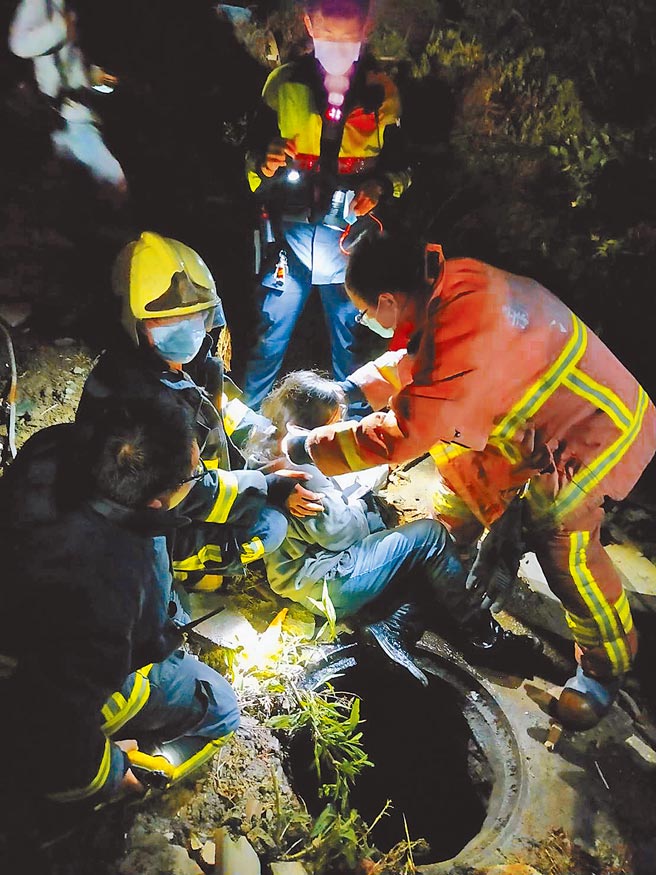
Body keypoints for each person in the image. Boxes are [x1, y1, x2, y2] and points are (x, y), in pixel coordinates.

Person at [283, 233, 656, 730]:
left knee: (565, 551)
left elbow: (402, 434)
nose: (364, 320)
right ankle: (436, 597)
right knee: (454, 502)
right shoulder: (451, 283)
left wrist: (303, 447)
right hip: (529, 423)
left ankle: (603, 674)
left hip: (586, 431)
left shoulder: (465, 324)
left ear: (389, 301)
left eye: (364, 310)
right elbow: (419, 363)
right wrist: (351, 391)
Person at [0, 394, 239, 830]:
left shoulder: (52, 446)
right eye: (192, 474)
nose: (197, 475)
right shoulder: (116, 587)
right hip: (33, 680)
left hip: (25, 610)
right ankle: (135, 774)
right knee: (222, 707)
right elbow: (54, 716)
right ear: (156, 502)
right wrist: (110, 773)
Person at [248, 370, 540, 685]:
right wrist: (364, 505)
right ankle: (485, 640)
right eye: (333, 423)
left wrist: (364, 481)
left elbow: (342, 482)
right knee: (430, 538)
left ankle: (395, 623)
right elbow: (342, 532)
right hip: (323, 582)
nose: (337, 430)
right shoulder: (303, 472)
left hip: (306, 567)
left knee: (416, 555)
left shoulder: (271, 441)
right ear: (311, 429)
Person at [77, 231, 322, 590]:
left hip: (199, 484)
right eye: (166, 320)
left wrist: (268, 438)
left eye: (196, 314)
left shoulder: (191, 360)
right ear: (132, 323)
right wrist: (267, 487)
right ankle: (193, 574)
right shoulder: (136, 398)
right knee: (272, 527)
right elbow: (187, 490)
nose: (188, 328)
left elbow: (217, 408)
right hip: (165, 515)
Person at [241, 0, 411, 414]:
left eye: (348, 36)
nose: (337, 45)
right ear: (309, 25)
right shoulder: (283, 85)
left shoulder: (382, 93)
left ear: (366, 28)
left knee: (351, 345)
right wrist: (263, 161)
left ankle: (354, 430)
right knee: (269, 335)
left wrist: (381, 185)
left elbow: (403, 167)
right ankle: (242, 427)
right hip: (289, 238)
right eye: (328, 35)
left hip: (350, 245)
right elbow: (251, 158)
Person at [9, 0, 127, 199]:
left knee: (103, 194)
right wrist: (61, 28)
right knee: (113, 189)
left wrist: (96, 77)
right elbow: (19, 45)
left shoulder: (63, 7)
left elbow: (72, 63)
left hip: (80, 117)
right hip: (64, 121)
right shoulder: (37, 4)